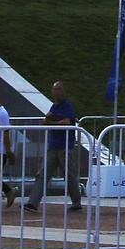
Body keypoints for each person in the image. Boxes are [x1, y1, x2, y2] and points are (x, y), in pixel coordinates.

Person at [34, 80, 83, 212]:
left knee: (69, 175)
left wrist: (51, 122)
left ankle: (76, 203)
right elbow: (48, 123)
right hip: (53, 146)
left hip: (64, 146)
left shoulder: (66, 106)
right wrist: (47, 121)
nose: (57, 92)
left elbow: (67, 122)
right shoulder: (53, 107)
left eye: (59, 89)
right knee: (42, 174)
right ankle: (33, 203)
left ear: (64, 91)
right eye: (55, 89)